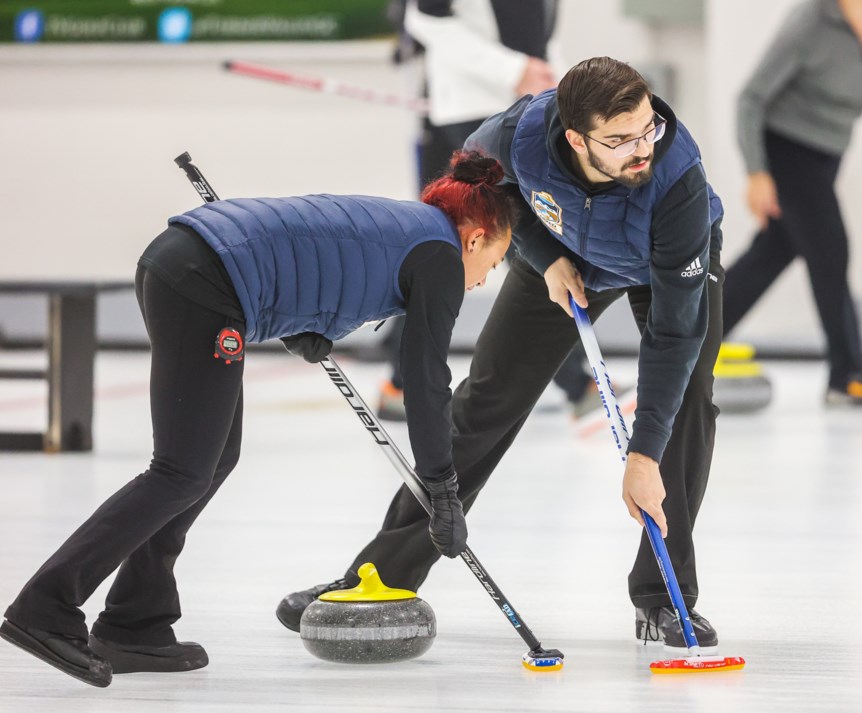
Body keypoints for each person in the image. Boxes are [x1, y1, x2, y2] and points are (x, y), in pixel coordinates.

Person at [0, 151, 514, 688]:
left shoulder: (412, 229)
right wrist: (443, 487)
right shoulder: (439, 255)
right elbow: (426, 383)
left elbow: (315, 249)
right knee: (180, 469)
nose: (483, 280)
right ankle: (45, 607)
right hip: (203, 283)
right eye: (495, 263)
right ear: (476, 238)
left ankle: (135, 620)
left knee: (214, 457)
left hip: (192, 268)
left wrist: (302, 316)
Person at [278, 57, 726, 653]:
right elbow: (484, 186)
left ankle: (664, 596)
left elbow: (674, 337)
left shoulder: (676, 184)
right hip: (566, 255)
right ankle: (381, 574)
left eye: (647, 129)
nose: (641, 148)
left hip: (659, 266)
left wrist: (642, 455)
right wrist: (545, 256)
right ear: (574, 138)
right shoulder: (517, 134)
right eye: (619, 141)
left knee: (687, 405)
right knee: (485, 402)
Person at [376, 0, 603, 422]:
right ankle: (577, 383)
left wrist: (562, 88)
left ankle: (402, 381)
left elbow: (536, 29)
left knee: (445, 243)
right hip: (476, 106)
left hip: (516, 102)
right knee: (520, 241)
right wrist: (511, 70)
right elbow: (424, 17)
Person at [723, 0, 862, 406]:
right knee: (830, 249)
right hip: (785, 148)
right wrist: (757, 173)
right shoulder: (812, 21)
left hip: (829, 155)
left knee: (771, 255)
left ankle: (688, 340)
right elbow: (750, 99)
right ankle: (847, 375)